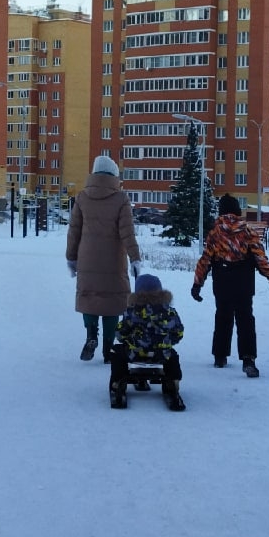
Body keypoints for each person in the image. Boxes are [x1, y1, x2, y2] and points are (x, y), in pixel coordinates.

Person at [192, 194, 269, 377]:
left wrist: (197, 284)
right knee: (245, 318)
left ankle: (220, 356)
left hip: (222, 280)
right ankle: (248, 359)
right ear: (237, 211)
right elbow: (259, 258)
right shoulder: (247, 231)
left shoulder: (215, 233)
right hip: (243, 281)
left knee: (222, 316)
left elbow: (205, 260)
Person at [66, 155, 142, 363]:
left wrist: (71, 258)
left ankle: (91, 335)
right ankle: (109, 348)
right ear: (114, 175)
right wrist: (135, 258)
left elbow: (74, 231)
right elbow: (127, 233)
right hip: (113, 261)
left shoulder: (82, 197)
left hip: (87, 259)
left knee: (89, 297)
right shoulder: (121, 199)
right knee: (112, 302)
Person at [109, 273, 185, 410]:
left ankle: (118, 381)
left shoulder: (132, 312)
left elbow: (120, 333)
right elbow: (178, 333)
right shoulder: (169, 312)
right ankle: (173, 381)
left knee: (116, 351)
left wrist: (128, 340)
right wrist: (167, 341)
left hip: (134, 353)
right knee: (172, 356)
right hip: (161, 354)